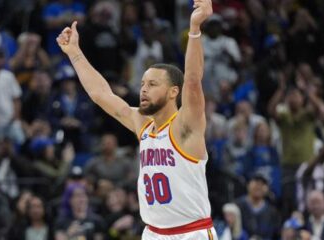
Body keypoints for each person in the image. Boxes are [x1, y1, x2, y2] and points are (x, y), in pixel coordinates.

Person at [56, 0, 217, 239]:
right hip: (152, 233)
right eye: (142, 84)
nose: (143, 89)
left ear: (174, 91)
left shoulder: (185, 125)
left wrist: (194, 28)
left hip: (191, 233)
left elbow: (192, 80)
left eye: (152, 84)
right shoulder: (143, 124)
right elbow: (101, 94)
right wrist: (75, 53)